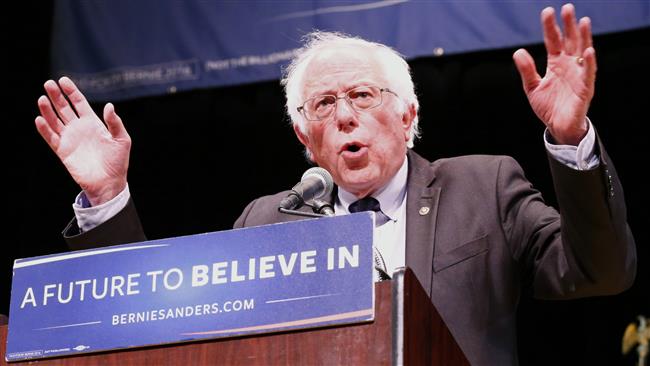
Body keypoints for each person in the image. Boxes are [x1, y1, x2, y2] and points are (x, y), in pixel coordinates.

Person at [34, 3, 635, 365]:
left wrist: (571, 136)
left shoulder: (484, 187)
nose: (344, 115)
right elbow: (160, 327)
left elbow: (600, 270)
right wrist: (108, 198)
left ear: (407, 116)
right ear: (304, 137)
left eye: (363, 96)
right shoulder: (269, 221)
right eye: (323, 104)